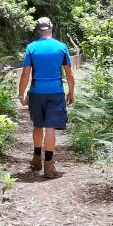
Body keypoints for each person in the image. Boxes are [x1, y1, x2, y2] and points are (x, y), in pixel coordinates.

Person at [18, 17, 76, 178]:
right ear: (51, 29)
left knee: (38, 125)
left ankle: (36, 158)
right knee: (50, 128)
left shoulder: (31, 48)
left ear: (38, 30)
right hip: (56, 92)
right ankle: (48, 165)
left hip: (36, 92)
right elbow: (69, 73)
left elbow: (25, 74)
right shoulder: (61, 47)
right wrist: (71, 92)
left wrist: (21, 94)